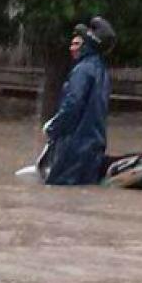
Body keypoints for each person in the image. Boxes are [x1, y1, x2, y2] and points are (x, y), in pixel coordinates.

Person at [44, 17, 115, 186]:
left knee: (59, 192)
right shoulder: (101, 70)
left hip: (74, 148)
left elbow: (73, 104)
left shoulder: (82, 70)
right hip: (94, 148)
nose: (71, 48)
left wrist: (53, 127)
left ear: (87, 45)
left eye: (76, 44)